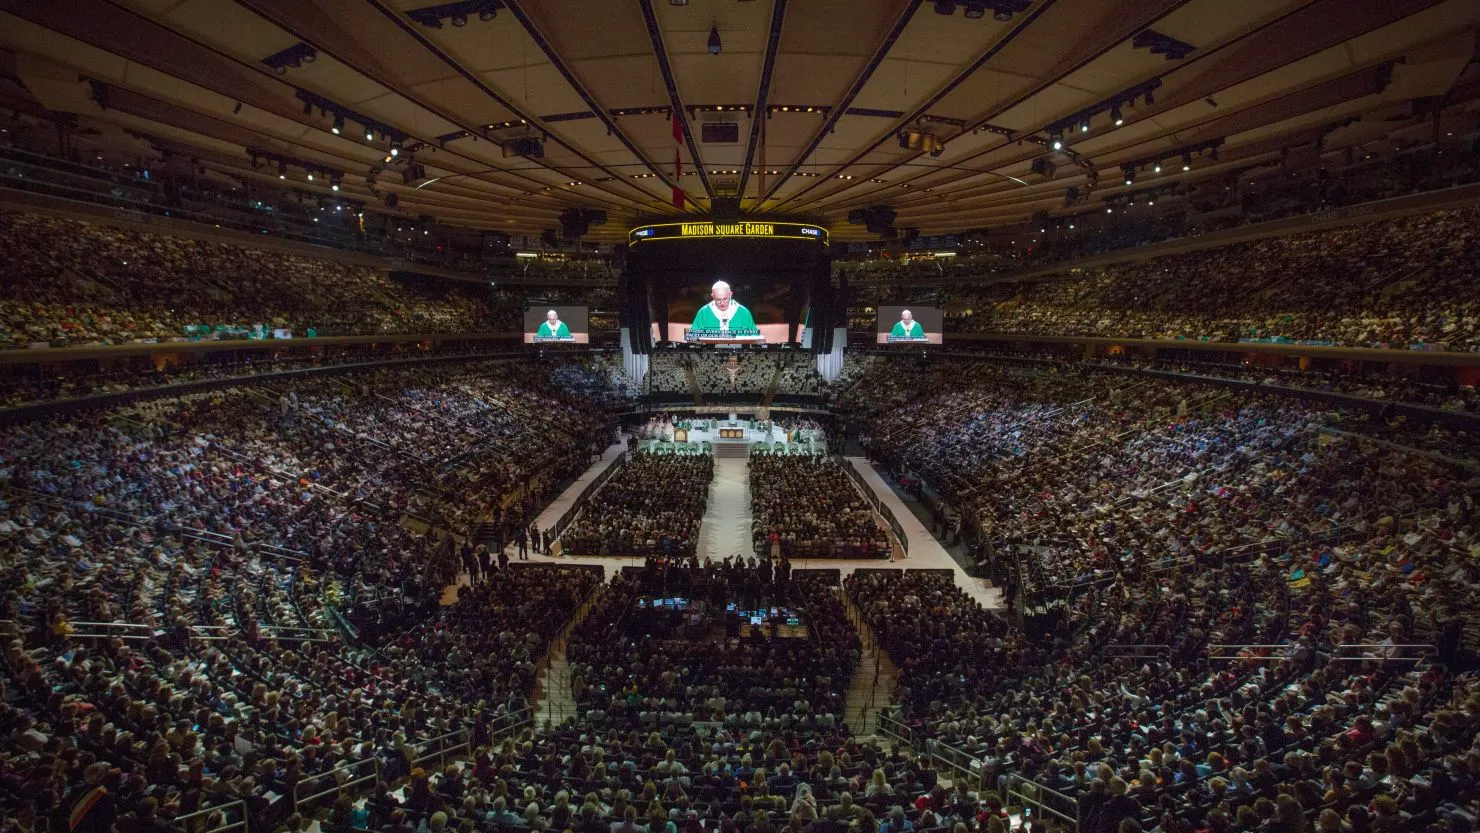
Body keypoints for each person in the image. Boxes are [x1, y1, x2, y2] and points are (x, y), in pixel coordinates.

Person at [689, 281, 758, 339]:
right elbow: (692, 337)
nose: (722, 303)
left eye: (725, 299)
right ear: (712, 296)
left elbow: (755, 338)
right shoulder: (704, 312)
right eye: (718, 299)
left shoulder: (743, 312)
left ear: (730, 294)